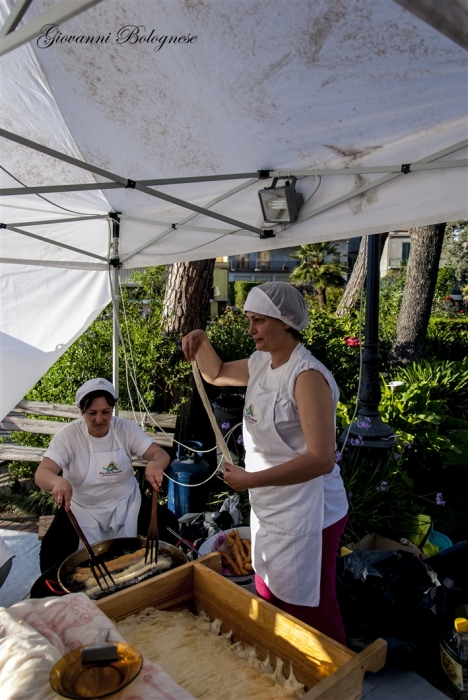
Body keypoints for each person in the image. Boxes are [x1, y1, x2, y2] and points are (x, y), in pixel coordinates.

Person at [183, 282, 348, 644]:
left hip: (310, 511)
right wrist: (200, 339)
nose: (251, 329)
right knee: (270, 590)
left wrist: (250, 480)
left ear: (285, 322)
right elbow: (216, 372)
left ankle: (336, 677)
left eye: (258, 320)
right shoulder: (261, 363)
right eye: (249, 320)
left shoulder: (306, 376)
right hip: (272, 504)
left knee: (311, 608)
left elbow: (320, 459)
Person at [35, 377, 170, 572]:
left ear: (112, 409)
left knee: (168, 525)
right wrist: (58, 482)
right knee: (52, 550)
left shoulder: (126, 429)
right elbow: (42, 474)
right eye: (92, 413)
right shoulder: (68, 436)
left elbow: (160, 454)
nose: (99, 419)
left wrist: (155, 464)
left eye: (106, 412)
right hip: (82, 508)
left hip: (127, 504)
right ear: (81, 411)